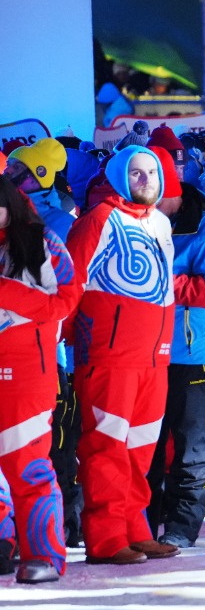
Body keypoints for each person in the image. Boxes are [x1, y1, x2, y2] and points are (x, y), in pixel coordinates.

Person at [65, 146, 178, 565]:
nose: (146, 180)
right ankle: (106, 537)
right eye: (136, 173)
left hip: (155, 358)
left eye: (152, 172)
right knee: (107, 449)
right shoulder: (97, 219)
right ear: (117, 176)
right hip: (108, 356)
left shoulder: (162, 223)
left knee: (140, 450)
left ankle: (135, 529)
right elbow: (69, 282)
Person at [147, 163, 205, 548]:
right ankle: (141, 526)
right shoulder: (141, 226)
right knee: (146, 448)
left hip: (192, 353)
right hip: (147, 353)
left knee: (191, 448)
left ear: (175, 192)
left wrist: (158, 280)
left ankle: (182, 526)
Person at [0, 165, 79, 583]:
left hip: (27, 373)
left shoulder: (39, 239)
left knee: (28, 465)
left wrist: (5, 290)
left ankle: (45, 555)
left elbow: (65, 300)